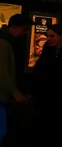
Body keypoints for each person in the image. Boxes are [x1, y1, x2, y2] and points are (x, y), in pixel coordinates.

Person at [33, 24, 62, 144]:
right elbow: (39, 70)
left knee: (61, 129)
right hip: (47, 96)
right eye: (48, 36)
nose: (49, 39)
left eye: (52, 36)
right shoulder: (48, 50)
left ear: (61, 36)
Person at [0, 14, 34, 147]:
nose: (25, 34)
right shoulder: (4, 42)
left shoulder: (7, 41)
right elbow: (2, 72)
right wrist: (16, 93)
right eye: (24, 30)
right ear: (14, 27)